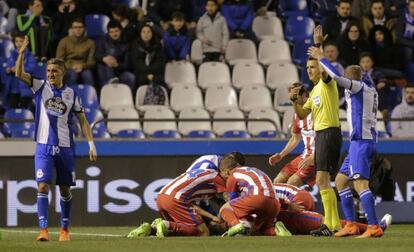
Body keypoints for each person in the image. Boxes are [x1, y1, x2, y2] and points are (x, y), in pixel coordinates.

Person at [15, 36, 97, 241]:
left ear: (63, 73)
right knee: (42, 185)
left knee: (65, 189)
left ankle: (64, 230)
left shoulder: (72, 94)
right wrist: (21, 54)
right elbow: (18, 74)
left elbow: (83, 121)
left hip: (66, 147)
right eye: (49, 71)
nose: (50, 74)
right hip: (43, 146)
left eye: (55, 71)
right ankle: (43, 230)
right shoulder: (40, 86)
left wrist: (91, 144)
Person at [309, 46, 383, 238]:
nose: (345, 82)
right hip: (359, 143)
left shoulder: (358, 87)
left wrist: (321, 57)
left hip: (361, 141)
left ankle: (373, 226)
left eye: (348, 77)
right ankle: (350, 225)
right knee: (341, 181)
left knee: (360, 185)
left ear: (353, 78)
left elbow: (337, 78)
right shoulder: (369, 89)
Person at [290, 25, 342, 234]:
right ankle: (332, 224)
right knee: (322, 180)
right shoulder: (313, 92)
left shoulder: (328, 84)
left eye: (313, 67)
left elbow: (326, 70)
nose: (310, 70)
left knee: (322, 180)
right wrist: (294, 101)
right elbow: (303, 114)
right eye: (308, 67)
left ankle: (331, 225)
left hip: (329, 132)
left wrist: (319, 47)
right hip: (323, 135)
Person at [127, 154, 236, 238]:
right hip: (175, 199)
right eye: (235, 172)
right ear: (226, 172)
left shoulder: (204, 173)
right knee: (203, 231)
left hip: (161, 196)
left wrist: (212, 217)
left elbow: (193, 205)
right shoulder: (219, 179)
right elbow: (230, 201)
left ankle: (150, 229)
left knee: (180, 231)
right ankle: (165, 225)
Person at [218, 154, 292, 237]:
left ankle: (236, 224)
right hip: (275, 203)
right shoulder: (254, 170)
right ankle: (276, 230)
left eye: (222, 174)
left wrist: (224, 218)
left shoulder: (232, 176)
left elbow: (232, 201)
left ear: (226, 171)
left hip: (257, 199)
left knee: (225, 208)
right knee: (260, 230)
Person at [270, 83, 316, 187]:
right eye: (291, 98)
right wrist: (280, 155)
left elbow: (326, 139)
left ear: (304, 95)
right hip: (305, 155)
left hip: (317, 157)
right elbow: (295, 138)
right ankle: (281, 203)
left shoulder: (317, 112)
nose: (292, 101)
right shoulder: (297, 115)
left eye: (294, 97)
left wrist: (314, 157)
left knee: (292, 183)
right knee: (277, 181)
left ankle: (296, 203)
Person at [95, 20, 135, 90]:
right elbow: (96, 55)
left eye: (116, 31)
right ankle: (111, 81)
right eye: (111, 32)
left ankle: (128, 98)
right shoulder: (103, 40)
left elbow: (128, 64)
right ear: (108, 32)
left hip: (120, 71)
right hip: (105, 71)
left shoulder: (126, 42)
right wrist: (104, 59)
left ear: (121, 30)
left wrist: (116, 65)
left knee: (131, 77)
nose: (114, 34)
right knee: (110, 55)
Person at [56, 18, 96, 86]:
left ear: (84, 28)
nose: (78, 29)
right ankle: (68, 95)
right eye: (75, 27)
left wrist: (83, 66)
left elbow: (91, 61)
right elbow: (59, 60)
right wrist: (72, 66)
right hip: (68, 66)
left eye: (80, 27)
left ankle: (90, 95)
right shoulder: (64, 41)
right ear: (71, 29)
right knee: (72, 75)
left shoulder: (90, 43)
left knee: (88, 75)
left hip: (84, 66)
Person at [5, 32, 37, 109]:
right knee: (12, 111)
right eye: (16, 41)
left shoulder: (30, 55)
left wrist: (18, 69)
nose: (19, 43)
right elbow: (8, 67)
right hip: (13, 88)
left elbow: (32, 68)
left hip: (25, 88)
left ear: (25, 43)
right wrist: (9, 70)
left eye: (21, 41)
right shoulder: (12, 54)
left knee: (25, 111)